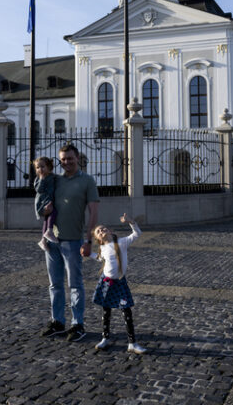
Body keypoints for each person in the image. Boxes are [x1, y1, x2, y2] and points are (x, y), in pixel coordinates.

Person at [40, 144, 99, 342]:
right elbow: (41, 195)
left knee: (75, 284)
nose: (66, 162)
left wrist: (89, 239)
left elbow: (93, 212)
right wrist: (44, 210)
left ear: (77, 158)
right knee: (54, 284)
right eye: (63, 159)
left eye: (70, 159)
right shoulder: (55, 180)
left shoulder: (87, 181)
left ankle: (77, 323)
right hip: (53, 240)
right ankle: (57, 321)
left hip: (73, 240)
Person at [89, 213, 146, 354]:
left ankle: (132, 343)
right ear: (98, 239)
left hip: (119, 283)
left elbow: (137, 233)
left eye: (103, 228)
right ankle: (105, 338)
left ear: (110, 231)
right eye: (98, 231)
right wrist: (88, 254)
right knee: (106, 311)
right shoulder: (102, 248)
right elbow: (100, 258)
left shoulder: (121, 242)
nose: (102, 230)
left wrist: (130, 221)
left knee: (126, 310)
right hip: (106, 282)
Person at [34, 156, 59, 251]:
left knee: (47, 219)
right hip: (43, 203)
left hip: (49, 201)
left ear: (49, 167)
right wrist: (42, 179)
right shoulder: (38, 179)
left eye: (42, 166)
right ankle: (49, 231)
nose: (40, 169)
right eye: (38, 167)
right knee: (54, 212)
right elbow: (39, 190)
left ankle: (43, 240)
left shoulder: (53, 177)